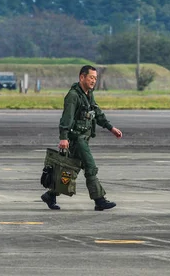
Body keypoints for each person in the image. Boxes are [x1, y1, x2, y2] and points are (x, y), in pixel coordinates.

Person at [41, 65, 122, 211]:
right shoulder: (73, 96)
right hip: (77, 139)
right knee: (90, 167)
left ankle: (50, 195)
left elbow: (96, 112)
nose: (93, 81)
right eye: (91, 77)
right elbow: (67, 118)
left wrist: (111, 128)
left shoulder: (89, 94)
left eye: (95, 78)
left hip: (83, 138)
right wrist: (64, 137)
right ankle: (99, 200)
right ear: (82, 77)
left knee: (71, 170)